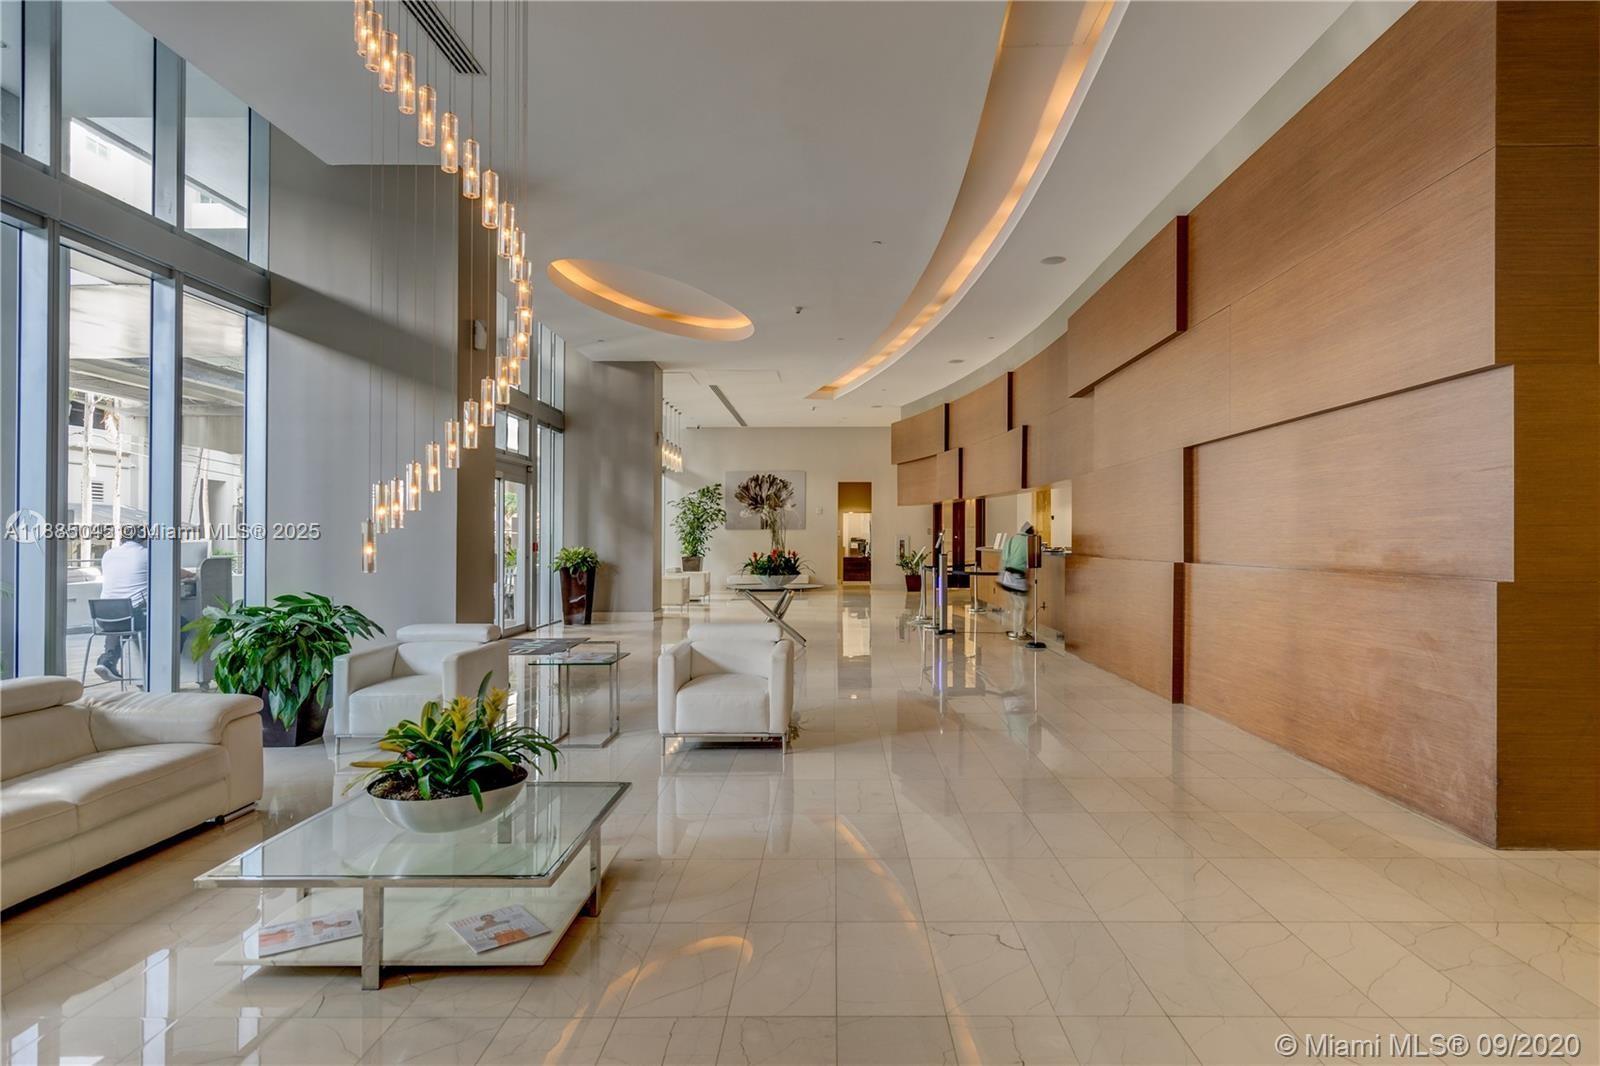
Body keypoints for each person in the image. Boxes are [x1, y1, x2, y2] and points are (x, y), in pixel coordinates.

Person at [95, 531, 149, 682]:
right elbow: (172, 573)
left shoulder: (108, 554)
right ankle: (166, 665)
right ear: (144, 540)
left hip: (102, 615)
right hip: (129, 616)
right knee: (179, 623)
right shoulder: (146, 554)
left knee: (121, 621)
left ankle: (107, 660)